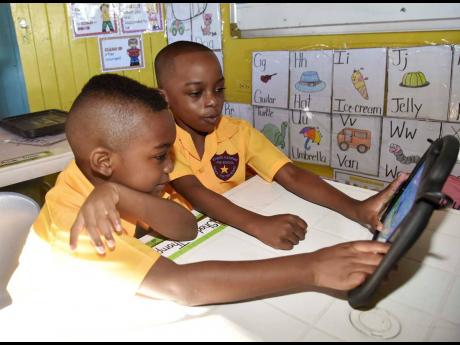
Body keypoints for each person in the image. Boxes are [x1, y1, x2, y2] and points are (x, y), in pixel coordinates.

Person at [8, 74, 390, 307]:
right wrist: (312, 268)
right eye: (160, 157)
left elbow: (185, 227)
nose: (171, 167)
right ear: (104, 162)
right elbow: (182, 287)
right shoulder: (77, 225)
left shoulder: (117, 184)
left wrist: (126, 197)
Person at [149, 40, 407, 251]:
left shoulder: (237, 131)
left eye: (219, 90)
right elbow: (196, 193)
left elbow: (291, 174)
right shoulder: (163, 142)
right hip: (189, 241)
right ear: (164, 98)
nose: (212, 102)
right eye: (196, 93)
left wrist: (355, 208)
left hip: (235, 231)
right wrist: (259, 224)